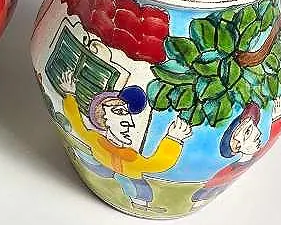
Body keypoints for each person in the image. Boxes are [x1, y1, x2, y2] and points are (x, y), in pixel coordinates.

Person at [58, 68, 192, 210]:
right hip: (99, 166)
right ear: (103, 118)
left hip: (127, 174)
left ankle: (139, 204)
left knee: (139, 187)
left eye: (128, 115)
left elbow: (156, 164)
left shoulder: (130, 157)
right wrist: (69, 95)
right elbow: (77, 126)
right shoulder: (96, 139)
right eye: (119, 112)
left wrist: (174, 139)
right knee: (86, 157)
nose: (129, 123)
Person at [190, 96, 281, 207]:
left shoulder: (254, 155)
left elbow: (272, 136)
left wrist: (277, 116)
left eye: (254, 126)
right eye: (247, 132)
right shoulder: (228, 171)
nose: (257, 132)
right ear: (237, 146)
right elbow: (207, 190)